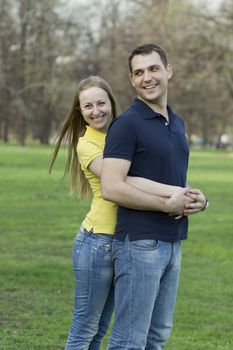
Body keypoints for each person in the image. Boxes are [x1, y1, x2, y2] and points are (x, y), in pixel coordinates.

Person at [49, 75, 197, 350]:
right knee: (86, 329)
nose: (96, 111)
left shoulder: (123, 133)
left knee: (102, 327)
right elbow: (121, 180)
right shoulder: (87, 143)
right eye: (88, 106)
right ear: (79, 111)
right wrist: (175, 193)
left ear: (111, 103)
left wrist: (186, 194)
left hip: (122, 240)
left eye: (101, 103)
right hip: (97, 242)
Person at [101, 44, 208, 350]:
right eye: (138, 72)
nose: (147, 77)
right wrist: (165, 204)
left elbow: (169, 179)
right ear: (131, 80)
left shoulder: (176, 123)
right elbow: (112, 186)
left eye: (153, 68)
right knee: (129, 341)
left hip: (173, 242)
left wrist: (197, 200)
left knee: (156, 338)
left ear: (168, 71)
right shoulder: (127, 124)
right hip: (139, 244)